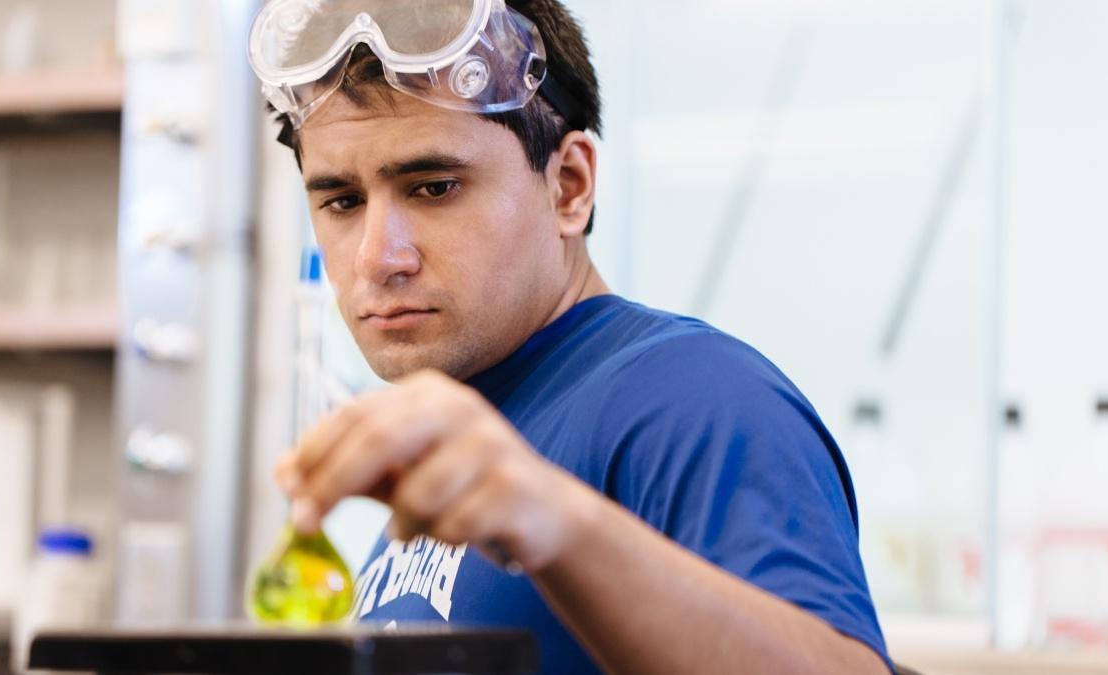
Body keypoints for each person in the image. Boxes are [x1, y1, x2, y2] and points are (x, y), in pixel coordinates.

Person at [251, 0, 892, 672]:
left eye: (434, 187)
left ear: (569, 186)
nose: (377, 258)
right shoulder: (467, 445)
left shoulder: (692, 398)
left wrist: (553, 517)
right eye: (342, 201)